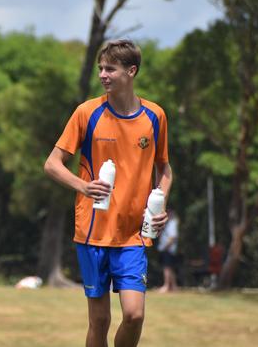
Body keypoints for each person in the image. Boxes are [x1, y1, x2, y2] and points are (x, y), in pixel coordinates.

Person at [44, 39, 173, 347]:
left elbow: (165, 170)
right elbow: (52, 164)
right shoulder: (87, 113)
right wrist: (83, 186)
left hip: (133, 235)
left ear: (131, 71)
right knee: (99, 321)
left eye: (110, 69)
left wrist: (159, 205)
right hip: (92, 233)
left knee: (134, 315)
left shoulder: (155, 117)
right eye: (101, 68)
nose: (102, 74)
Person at [157, 210, 179, 293]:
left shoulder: (172, 223)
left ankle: (166, 285)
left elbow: (172, 238)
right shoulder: (170, 223)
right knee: (170, 268)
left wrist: (165, 247)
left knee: (166, 268)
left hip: (168, 249)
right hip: (168, 249)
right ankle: (174, 286)